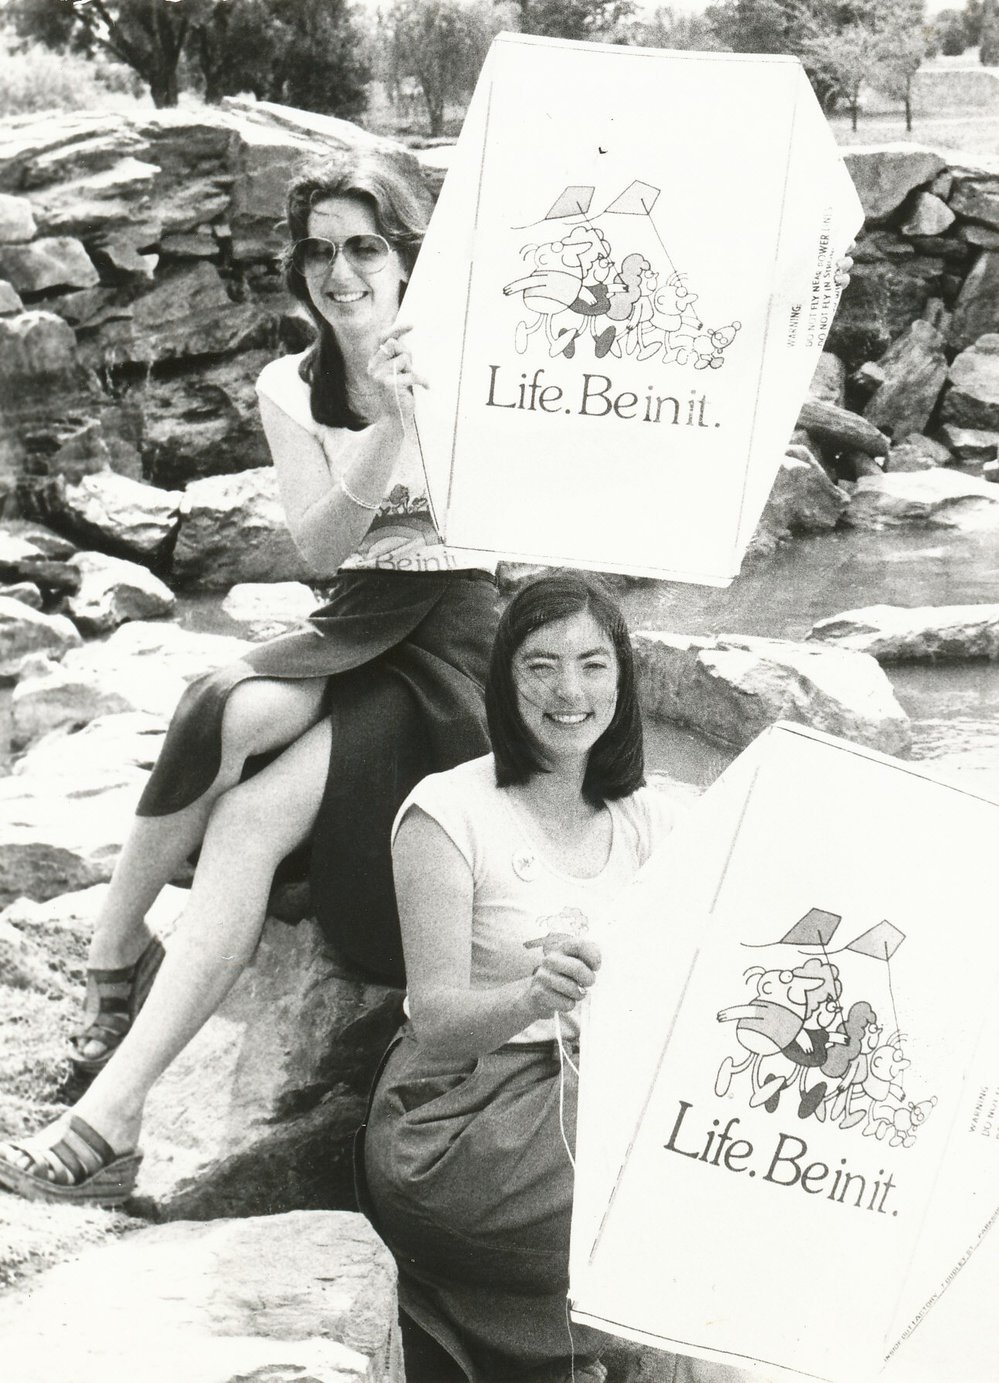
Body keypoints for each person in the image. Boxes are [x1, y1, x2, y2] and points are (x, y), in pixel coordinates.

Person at [0, 147, 499, 1206]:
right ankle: (113, 949)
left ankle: (110, 1118)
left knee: (249, 820)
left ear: (406, 256)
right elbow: (320, 547)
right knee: (218, 704)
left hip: (452, 635)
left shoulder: (478, 365)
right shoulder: (289, 384)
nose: (340, 271)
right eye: (317, 251)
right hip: (355, 615)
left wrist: (424, 407)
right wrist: (387, 427)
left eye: (364, 246)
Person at [362, 570, 675, 1383]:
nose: (569, 691)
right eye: (541, 666)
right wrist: (533, 995)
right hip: (460, 1116)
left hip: (584, 1093)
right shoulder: (447, 810)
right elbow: (435, 1021)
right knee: (684, 1172)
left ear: (621, 679)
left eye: (592, 664)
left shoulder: (648, 816)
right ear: (503, 680)